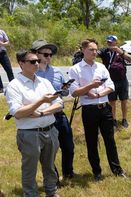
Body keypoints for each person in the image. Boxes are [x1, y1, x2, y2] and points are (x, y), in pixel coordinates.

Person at [68, 38, 127, 181]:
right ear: (83, 50)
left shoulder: (100, 67)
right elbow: (74, 92)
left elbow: (111, 86)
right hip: (89, 110)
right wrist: (90, 87)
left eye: (96, 50)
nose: (94, 52)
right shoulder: (75, 69)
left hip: (105, 108)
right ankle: (97, 172)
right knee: (91, 141)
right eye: (91, 50)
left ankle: (117, 170)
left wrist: (99, 94)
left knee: (110, 141)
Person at [5, 49, 62, 197]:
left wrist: (41, 112)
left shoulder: (45, 82)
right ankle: (30, 194)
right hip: (30, 134)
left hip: (50, 130)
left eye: (37, 60)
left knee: (49, 166)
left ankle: (51, 192)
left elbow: (59, 104)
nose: (37, 63)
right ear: (21, 64)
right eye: (32, 61)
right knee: (30, 169)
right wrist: (41, 101)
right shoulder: (14, 85)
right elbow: (17, 112)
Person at [31, 39, 77, 179]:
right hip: (43, 116)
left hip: (59, 114)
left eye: (51, 55)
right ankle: (53, 177)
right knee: (48, 151)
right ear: (35, 54)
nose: (49, 57)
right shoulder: (32, 73)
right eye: (45, 54)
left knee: (68, 147)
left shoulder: (57, 71)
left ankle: (68, 173)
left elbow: (65, 94)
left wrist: (64, 89)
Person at [97, 35, 131, 128]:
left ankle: (124, 119)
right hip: (110, 81)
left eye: (111, 42)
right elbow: (96, 53)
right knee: (112, 101)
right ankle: (113, 119)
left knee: (124, 100)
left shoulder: (121, 51)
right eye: (108, 42)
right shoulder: (105, 51)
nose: (109, 44)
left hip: (122, 80)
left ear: (116, 42)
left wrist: (120, 52)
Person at [0, 29, 15, 93]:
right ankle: (0, 88)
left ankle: (14, 87)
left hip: (2, 53)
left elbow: (7, 42)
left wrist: (2, 43)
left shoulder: (1, 31)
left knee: (9, 70)